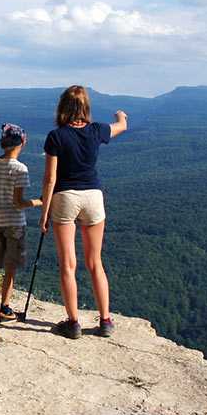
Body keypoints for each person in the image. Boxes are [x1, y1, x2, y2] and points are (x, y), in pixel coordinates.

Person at [38, 86, 128, 339]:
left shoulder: (55, 136)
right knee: (94, 262)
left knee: (68, 264)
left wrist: (44, 212)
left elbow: (49, 178)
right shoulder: (97, 130)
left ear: (63, 107)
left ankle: (73, 322)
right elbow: (120, 126)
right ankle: (106, 320)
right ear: (85, 107)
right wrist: (121, 115)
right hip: (93, 196)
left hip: (65, 196)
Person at [0, 123, 43, 324]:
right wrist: (39, 202)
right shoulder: (20, 169)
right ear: (21, 143)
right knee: (10, 266)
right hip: (14, 224)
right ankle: (5, 308)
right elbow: (18, 203)